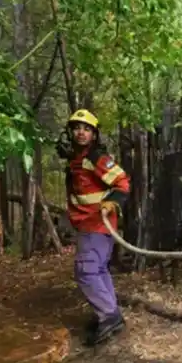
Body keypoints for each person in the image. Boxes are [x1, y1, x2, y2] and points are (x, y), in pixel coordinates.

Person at [60, 109, 131, 347]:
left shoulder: (96, 157)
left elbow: (122, 182)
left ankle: (109, 316)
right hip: (86, 223)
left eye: (87, 128)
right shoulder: (77, 158)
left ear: (94, 134)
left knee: (87, 271)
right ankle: (110, 314)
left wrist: (112, 202)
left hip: (97, 224)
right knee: (98, 269)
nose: (81, 132)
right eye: (77, 128)